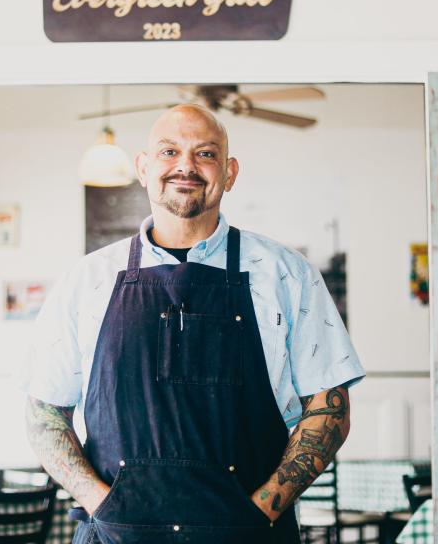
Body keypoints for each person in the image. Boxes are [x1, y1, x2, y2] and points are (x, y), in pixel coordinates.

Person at [23, 104, 365, 543]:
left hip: (248, 535)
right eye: (169, 152)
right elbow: (44, 411)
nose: (186, 165)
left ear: (229, 173)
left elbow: (328, 406)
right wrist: (101, 503)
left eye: (205, 154)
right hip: (117, 535)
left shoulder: (287, 274)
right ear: (143, 168)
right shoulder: (87, 279)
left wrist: (263, 509)